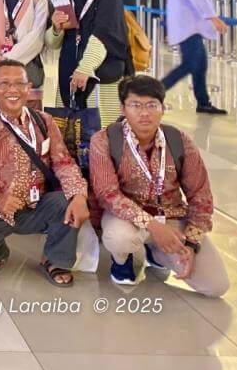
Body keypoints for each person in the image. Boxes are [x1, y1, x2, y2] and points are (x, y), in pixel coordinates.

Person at [0, 59, 90, 287]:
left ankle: (55, 259)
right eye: (4, 84)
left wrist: (79, 195)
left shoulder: (44, 121)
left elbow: (64, 163)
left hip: (37, 205)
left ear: (29, 88)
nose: (12, 90)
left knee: (66, 202)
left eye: (19, 83)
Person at [91, 75, 228, 296]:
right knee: (120, 238)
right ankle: (123, 260)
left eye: (152, 105)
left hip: (172, 218)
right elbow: (108, 195)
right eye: (135, 105)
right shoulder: (105, 140)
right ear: (123, 108)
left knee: (216, 286)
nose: (144, 113)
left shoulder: (179, 140)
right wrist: (154, 227)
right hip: (126, 220)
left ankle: (156, 253)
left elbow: (201, 196)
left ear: (163, 108)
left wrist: (192, 245)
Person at [44, 0, 131, 127]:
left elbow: (103, 36)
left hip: (100, 78)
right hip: (69, 76)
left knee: (103, 135)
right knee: (72, 136)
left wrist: (85, 68)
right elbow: (52, 45)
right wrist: (56, 28)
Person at [160, 0, 229, 115]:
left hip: (189, 28)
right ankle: (155, 92)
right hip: (189, 28)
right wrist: (214, 18)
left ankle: (203, 103)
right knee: (190, 64)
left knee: (200, 65)